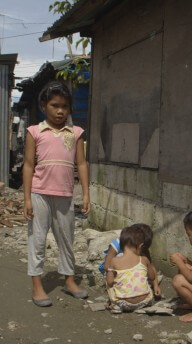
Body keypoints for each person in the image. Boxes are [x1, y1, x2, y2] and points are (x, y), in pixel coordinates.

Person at [23, 80, 91, 307]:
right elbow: (29, 166)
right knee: (38, 240)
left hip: (65, 195)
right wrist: (26, 199)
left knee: (66, 240)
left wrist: (86, 194)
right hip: (39, 194)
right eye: (54, 105)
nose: (60, 111)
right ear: (44, 106)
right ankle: (37, 286)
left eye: (64, 106)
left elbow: (81, 164)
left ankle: (69, 281)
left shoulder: (75, 133)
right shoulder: (35, 131)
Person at [105, 224, 156, 313]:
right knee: (145, 280)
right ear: (141, 247)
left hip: (123, 303)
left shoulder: (114, 261)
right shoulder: (144, 259)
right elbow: (152, 277)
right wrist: (149, 266)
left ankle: (116, 306)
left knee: (108, 282)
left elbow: (110, 283)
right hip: (144, 301)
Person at [100, 224, 161, 297]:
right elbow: (106, 266)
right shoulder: (117, 245)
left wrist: (156, 285)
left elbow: (150, 265)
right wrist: (125, 272)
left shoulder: (142, 248)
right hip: (116, 272)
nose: (142, 250)